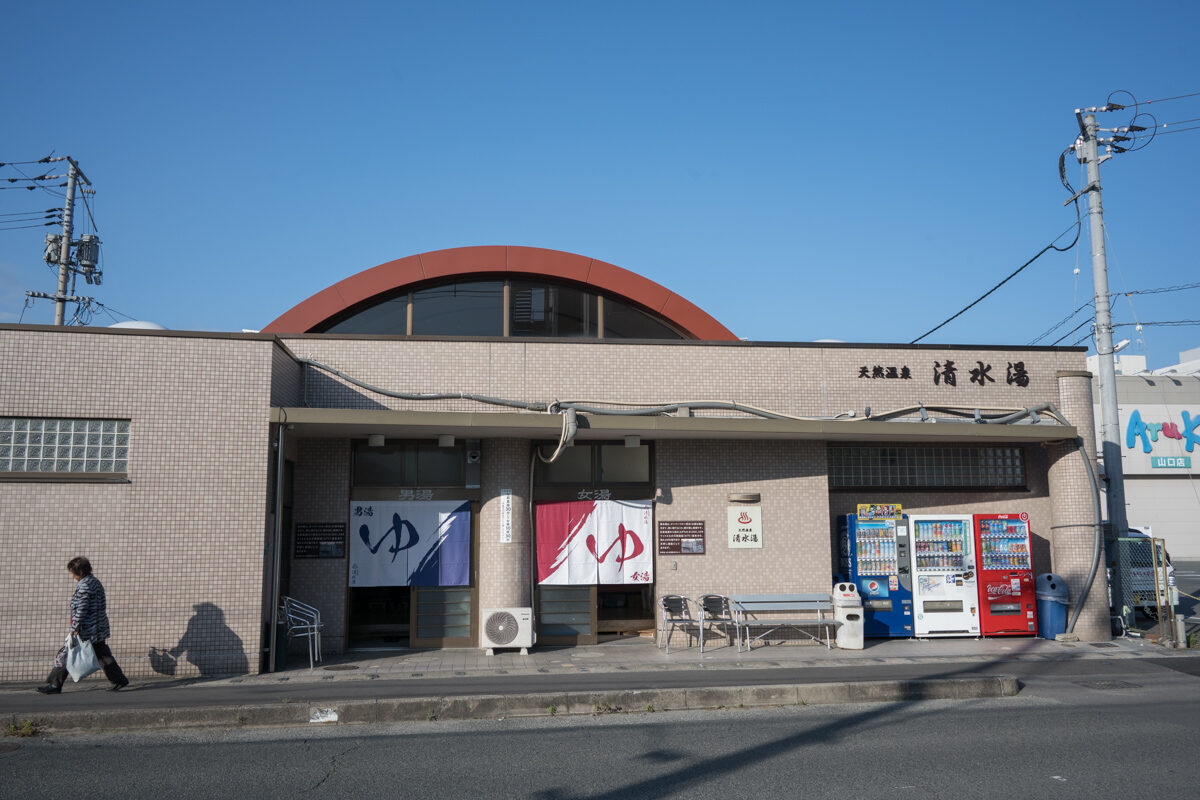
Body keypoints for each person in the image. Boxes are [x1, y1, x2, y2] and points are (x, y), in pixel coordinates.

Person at [36, 556, 129, 694]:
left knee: (68, 654)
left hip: (87, 629)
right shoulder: (95, 581)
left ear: (78, 572)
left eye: (72, 572)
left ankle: (55, 685)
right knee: (102, 654)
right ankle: (119, 679)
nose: (71, 575)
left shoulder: (84, 585)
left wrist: (75, 627)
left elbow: (82, 608)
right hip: (98, 626)